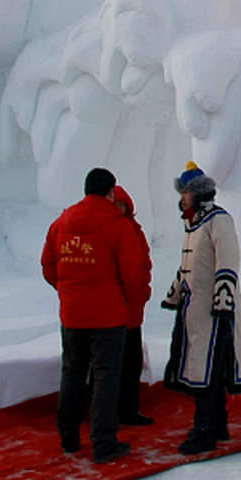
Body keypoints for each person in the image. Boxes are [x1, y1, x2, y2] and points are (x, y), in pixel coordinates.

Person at [41, 168, 153, 461]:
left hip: (73, 315)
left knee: (73, 372)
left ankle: (68, 436)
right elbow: (132, 273)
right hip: (108, 317)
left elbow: (48, 265)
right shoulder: (119, 226)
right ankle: (103, 442)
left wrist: (68, 290)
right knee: (105, 376)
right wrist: (130, 302)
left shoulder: (62, 222)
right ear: (111, 192)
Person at [162, 164, 241, 455]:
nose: (182, 198)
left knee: (206, 370)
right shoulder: (194, 224)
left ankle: (205, 429)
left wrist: (223, 301)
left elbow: (228, 262)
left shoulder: (218, 220)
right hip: (195, 312)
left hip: (214, 313)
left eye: (186, 192)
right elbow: (189, 266)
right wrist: (176, 293)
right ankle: (217, 424)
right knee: (207, 369)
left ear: (199, 193)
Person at [106, 180, 153, 427]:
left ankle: (129, 408)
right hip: (112, 308)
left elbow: (144, 264)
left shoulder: (135, 232)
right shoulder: (108, 231)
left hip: (132, 310)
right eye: (115, 205)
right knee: (111, 364)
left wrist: (143, 290)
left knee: (132, 362)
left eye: (122, 205)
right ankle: (110, 409)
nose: (119, 209)